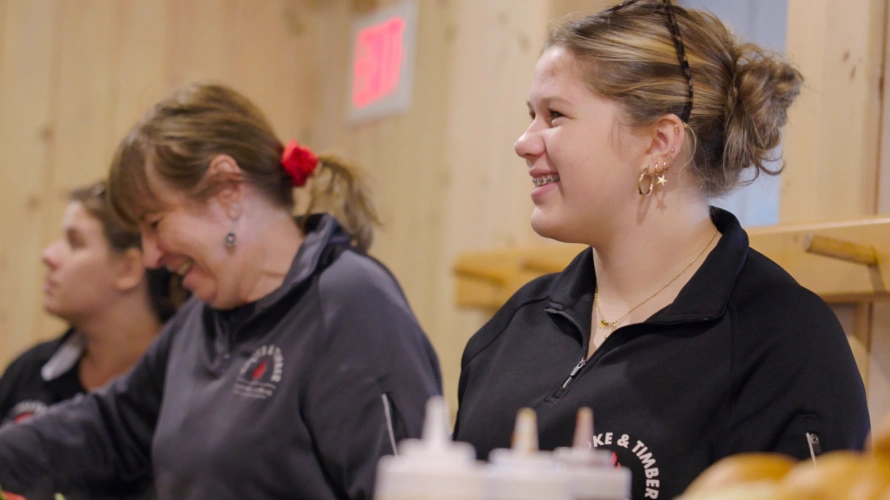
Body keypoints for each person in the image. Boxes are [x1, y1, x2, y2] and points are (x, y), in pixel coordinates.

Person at [453, 1, 869, 499]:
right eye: (531, 116)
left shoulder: (784, 341)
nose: (524, 142)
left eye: (555, 115)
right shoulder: (514, 327)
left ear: (659, 142)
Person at [0, 83, 442, 500]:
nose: (151, 256)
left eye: (155, 223)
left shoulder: (350, 304)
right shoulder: (201, 317)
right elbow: (111, 428)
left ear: (228, 191)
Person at [0, 180, 184, 499]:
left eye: (74, 243)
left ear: (128, 268)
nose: (48, 255)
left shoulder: (188, 388)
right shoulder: (32, 369)